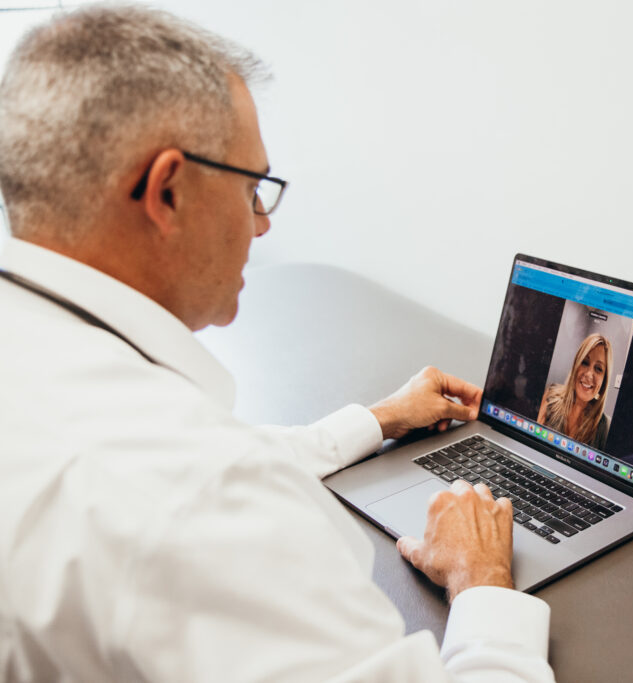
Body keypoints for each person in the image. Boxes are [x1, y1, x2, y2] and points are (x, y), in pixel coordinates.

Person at [0, 6, 554, 682]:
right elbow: (194, 484)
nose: (261, 226)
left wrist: (375, 419)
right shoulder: (198, 500)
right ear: (166, 190)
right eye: (251, 188)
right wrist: (485, 584)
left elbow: (183, 461)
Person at [536, 333, 612, 450]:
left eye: (598, 369)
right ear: (576, 364)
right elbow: (533, 443)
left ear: (604, 380)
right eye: (585, 362)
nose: (589, 374)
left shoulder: (604, 426)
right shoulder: (551, 395)